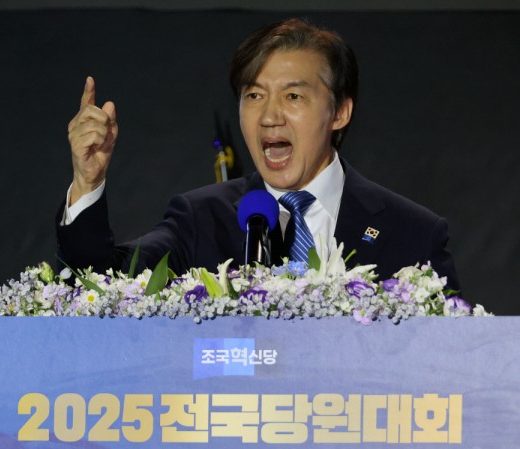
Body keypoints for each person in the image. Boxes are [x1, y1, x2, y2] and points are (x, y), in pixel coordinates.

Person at [57, 18, 459, 290]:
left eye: (293, 96)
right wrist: (88, 183)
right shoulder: (200, 219)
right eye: (254, 95)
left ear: (339, 112)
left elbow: (449, 366)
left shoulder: (413, 234)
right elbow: (100, 283)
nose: (269, 116)